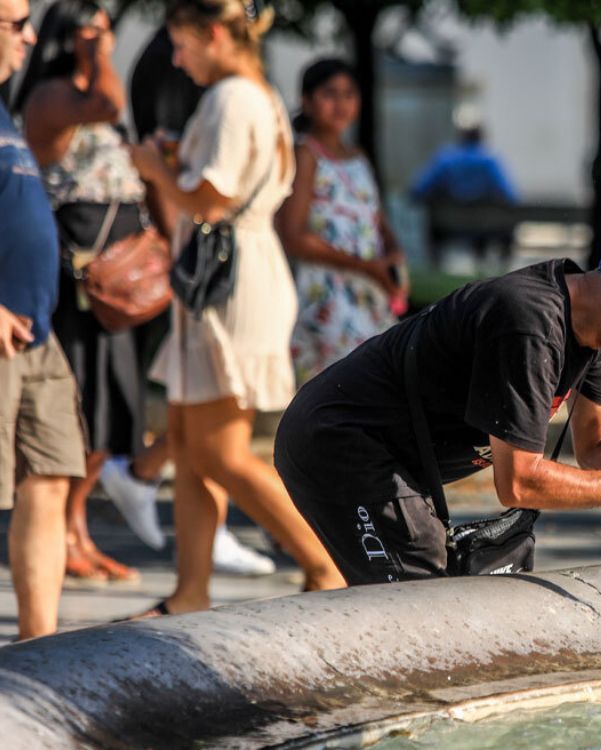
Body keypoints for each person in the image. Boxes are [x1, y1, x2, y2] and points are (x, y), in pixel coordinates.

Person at [275, 224, 601, 585]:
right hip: (339, 443)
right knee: (422, 610)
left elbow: (598, 444)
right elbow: (519, 482)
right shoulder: (528, 324)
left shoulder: (594, 331)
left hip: (394, 459)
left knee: (432, 607)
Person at [125, 0, 344, 616]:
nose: (177, 59)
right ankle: (189, 593)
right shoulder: (252, 93)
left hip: (230, 283)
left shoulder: (232, 98)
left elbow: (210, 199)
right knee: (188, 445)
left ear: (215, 34)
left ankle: (325, 562)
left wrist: (154, 168)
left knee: (217, 451)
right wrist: (175, 163)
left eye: (182, 44)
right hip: (226, 278)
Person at [14, 0, 151, 582]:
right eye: (91, 29)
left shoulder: (93, 92)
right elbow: (111, 104)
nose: (104, 37)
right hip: (77, 285)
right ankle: (66, 530)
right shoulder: (52, 96)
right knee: (79, 411)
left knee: (111, 412)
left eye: (105, 28)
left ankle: (77, 527)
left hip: (116, 286)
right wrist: (97, 58)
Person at [0, 0, 88, 638]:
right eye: (15, 22)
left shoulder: (4, 109)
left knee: (51, 478)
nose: (30, 37)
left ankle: (39, 651)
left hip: (36, 332)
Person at [277, 57, 408, 384]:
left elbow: (375, 220)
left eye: (349, 94)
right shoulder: (306, 155)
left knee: (377, 380)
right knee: (341, 385)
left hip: (368, 290)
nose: (341, 104)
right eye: (329, 94)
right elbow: (293, 235)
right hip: (327, 293)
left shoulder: (358, 156)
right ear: (307, 101)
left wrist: (394, 255)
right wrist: (366, 267)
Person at [410, 124, 518, 269]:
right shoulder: (490, 161)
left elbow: (418, 190)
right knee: (500, 221)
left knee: (433, 221)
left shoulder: (445, 160)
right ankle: (499, 267)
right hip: (486, 226)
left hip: (448, 226)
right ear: (481, 138)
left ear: (460, 138)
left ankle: (435, 265)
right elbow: (509, 195)